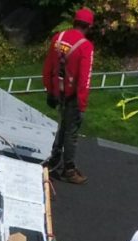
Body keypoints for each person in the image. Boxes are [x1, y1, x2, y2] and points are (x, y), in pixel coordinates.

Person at [42, 7, 94, 184]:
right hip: (72, 95)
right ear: (89, 26)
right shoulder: (85, 47)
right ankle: (69, 169)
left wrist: (50, 90)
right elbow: (84, 79)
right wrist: (82, 104)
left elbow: (48, 66)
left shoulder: (59, 38)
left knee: (62, 125)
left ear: (74, 22)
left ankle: (54, 160)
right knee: (71, 132)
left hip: (59, 91)